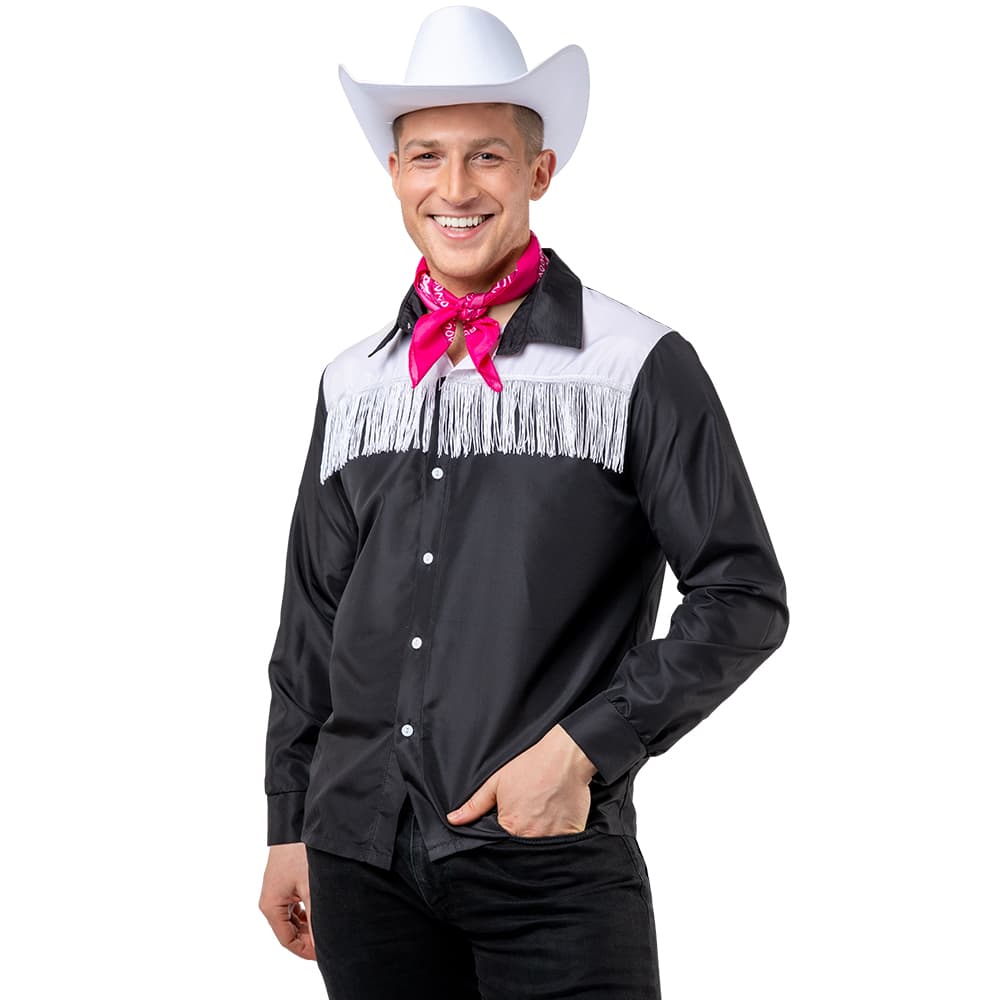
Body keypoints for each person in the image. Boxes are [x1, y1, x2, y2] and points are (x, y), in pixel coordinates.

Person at [258, 6, 789, 998]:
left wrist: (580, 751)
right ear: (394, 174)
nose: (453, 188)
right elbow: (311, 624)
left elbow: (740, 594)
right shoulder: (351, 383)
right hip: (357, 853)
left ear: (537, 173)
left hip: (549, 859)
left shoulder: (634, 365)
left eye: (487, 157)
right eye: (426, 157)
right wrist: (290, 819)